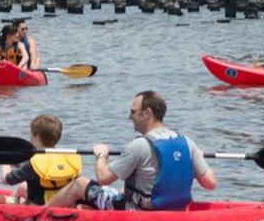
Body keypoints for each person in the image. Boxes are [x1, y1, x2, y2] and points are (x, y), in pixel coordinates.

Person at [46, 89, 214, 212]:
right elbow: (210, 183)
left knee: (80, 183)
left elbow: (103, 179)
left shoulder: (139, 145)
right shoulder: (188, 143)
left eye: (133, 112)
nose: (130, 117)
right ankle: (82, 211)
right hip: (174, 208)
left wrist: (101, 155)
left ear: (147, 113)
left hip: (139, 212)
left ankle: (39, 215)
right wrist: (196, 159)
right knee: (123, 189)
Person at [0, 113, 80, 204]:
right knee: (23, 187)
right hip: (63, 202)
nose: (30, 137)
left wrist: (6, 162)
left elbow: (6, 180)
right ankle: (11, 199)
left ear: (37, 137)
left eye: (31, 134)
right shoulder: (68, 158)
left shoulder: (34, 162)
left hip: (39, 207)